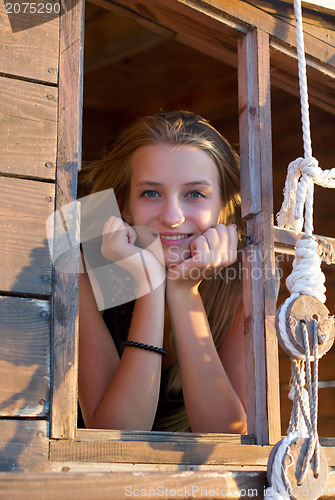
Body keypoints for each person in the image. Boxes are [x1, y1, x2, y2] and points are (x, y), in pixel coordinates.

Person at [78, 111, 247, 433]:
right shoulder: (84, 267)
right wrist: (151, 285)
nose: (171, 216)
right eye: (150, 193)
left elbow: (227, 436)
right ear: (125, 205)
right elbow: (114, 433)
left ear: (224, 204)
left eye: (195, 194)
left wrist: (185, 291)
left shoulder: (244, 279)